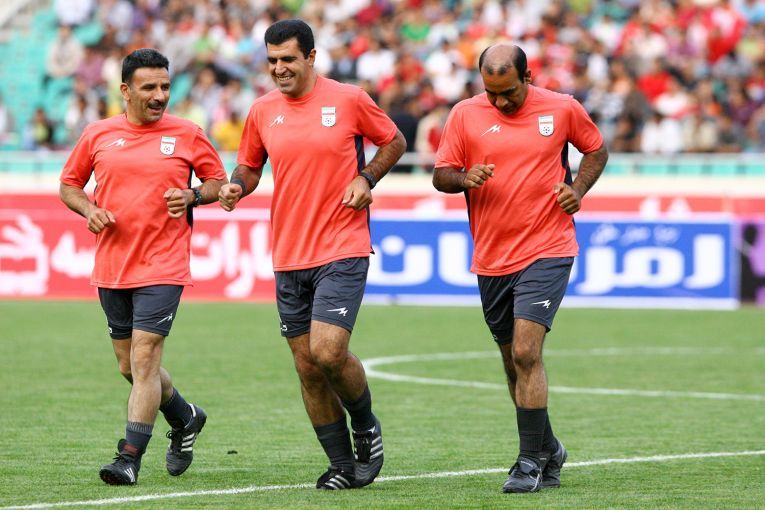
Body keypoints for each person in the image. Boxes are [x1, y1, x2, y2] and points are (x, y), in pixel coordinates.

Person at [218, 19, 406, 490]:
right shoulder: (262, 110)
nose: (279, 68)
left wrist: (366, 177)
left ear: (311, 57)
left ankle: (365, 425)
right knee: (307, 367)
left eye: (288, 59)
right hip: (289, 252)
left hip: (342, 245)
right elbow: (249, 166)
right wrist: (236, 186)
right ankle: (341, 464)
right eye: (272, 61)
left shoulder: (349, 99)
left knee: (327, 351)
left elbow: (394, 141)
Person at [432, 43, 608, 494]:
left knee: (527, 352)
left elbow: (596, 151)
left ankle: (529, 462)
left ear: (528, 78)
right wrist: (463, 178)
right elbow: (441, 174)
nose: (500, 102)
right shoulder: (464, 114)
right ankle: (549, 448)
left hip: (548, 246)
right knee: (513, 362)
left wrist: (578, 189)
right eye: (491, 93)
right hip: (492, 256)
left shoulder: (562, 108)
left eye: (508, 92)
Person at [59, 48, 227, 485]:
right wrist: (89, 209)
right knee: (130, 367)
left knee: (146, 357)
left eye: (165, 86)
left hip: (164, 264)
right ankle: (186, 416)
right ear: (126, 90)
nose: (159, 95)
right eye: (149, 87)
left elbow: (217, 182)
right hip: (113, 265)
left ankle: (129, 458)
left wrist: (192, 195)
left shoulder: (188, 133)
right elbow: (69, 185)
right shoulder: (98, 134)